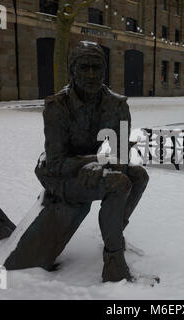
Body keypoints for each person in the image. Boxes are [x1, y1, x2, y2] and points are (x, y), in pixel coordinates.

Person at [35, 41, 149, 283]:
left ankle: (115, 231)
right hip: (61, 176)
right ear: (72, 71)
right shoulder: (57, 107)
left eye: (96, 68)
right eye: (84, 67)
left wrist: (101, 164)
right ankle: (114, 264)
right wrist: (88, 164)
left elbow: (120, 156)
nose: (91, 74)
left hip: (97, 169)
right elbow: (55, 163)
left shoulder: (117, 105)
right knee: (117, 183)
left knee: (138, 176)